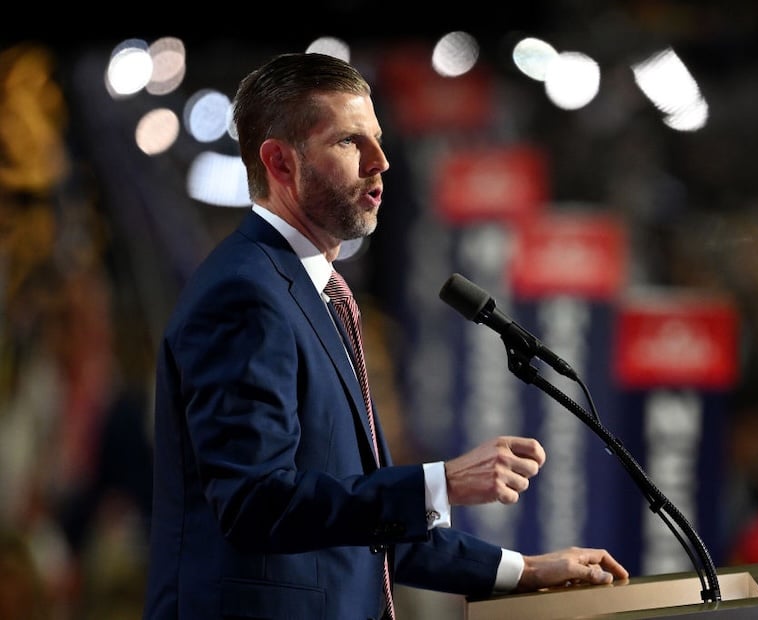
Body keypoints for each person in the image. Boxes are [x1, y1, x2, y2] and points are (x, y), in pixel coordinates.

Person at [142, 51, 628, 620]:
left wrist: (523, 571)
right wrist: (440, 483)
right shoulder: (245, 295)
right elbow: (254, 503)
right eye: (350, 142)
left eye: (376, 138)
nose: (381, 161)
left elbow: (369, 526)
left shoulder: (314, 295)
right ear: (280, 162)